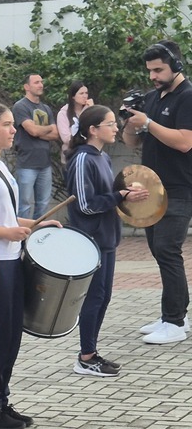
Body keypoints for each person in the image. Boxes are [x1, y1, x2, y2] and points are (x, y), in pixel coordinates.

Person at [0, 103, 58, 429]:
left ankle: (1, 400)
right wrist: (6, 233)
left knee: (12, 335)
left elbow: (5, 216)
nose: (13, 129)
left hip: (11, 261)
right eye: (6, 124)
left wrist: (37, 224)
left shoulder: (0, 165)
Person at [69, 105, 149, 377]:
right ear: (93, 129)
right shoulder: (83, 158)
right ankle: (85, 357)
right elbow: (85, 204)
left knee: (104, 297)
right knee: (94, 298)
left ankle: (91, 352)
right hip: (91, 239)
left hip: (107, 237)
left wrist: (126, 192)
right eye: (110, 123)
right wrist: (120, 196)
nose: (116, 128)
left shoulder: (101, 157)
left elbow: (109, 194)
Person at [122, 40, 192, 346]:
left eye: (159, 69)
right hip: (151, 188)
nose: (152, 76)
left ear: (176, 65)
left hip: (179, 187)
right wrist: (130, 121)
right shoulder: (151, 98)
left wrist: (149, 123)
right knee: (159, 250)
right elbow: (132, 143)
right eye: (150, 70)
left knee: (167, 249)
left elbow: (185, 142)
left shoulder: (187, 96)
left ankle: (174, 322)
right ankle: (174, 316)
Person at [12, 73, 59, 219]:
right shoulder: (20, 106)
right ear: (27, 87)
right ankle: (22, 234)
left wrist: (38, 131)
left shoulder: (46, 108)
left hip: (45, 164)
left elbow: (55, 134)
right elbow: (32, 130)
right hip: (27, 164)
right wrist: (45, 129)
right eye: (36, 82)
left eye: (41, 82)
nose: (41, 85)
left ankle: (39, 232)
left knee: (43, 204)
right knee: (24, 205)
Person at [57, 81, 93, 159]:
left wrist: (92, 110)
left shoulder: (89, 110)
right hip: (72, 154)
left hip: (89, 152)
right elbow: (66, 138)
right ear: (73, 96)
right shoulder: (63, 113)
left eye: (86, 93)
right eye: (81, 93)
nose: (85, 96)